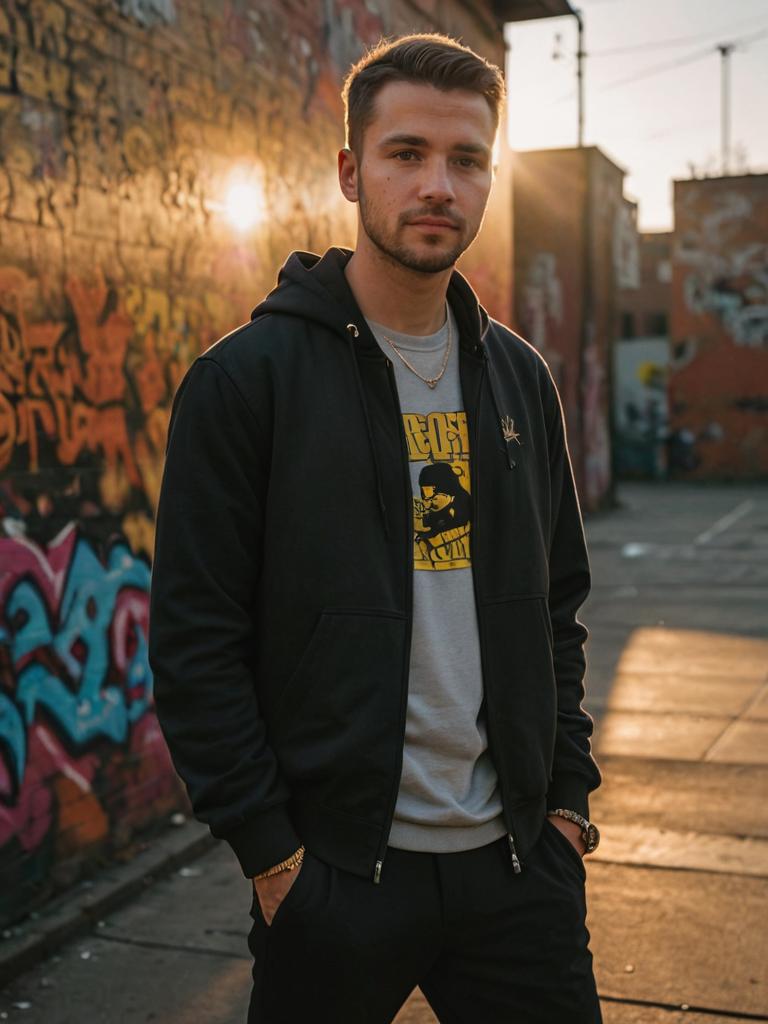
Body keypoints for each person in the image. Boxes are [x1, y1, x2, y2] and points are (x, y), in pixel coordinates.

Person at [149, 32, 603, 1024]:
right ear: (352, 172)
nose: (439, 184)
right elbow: (194, 643)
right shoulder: (246, 382)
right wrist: (275, 860)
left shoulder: (519, 379)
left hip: (518, 868)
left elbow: (557, 606)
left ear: (491, 177)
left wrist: (566, 801)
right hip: (338, 878)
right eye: (406, 154)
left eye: (467, 159)